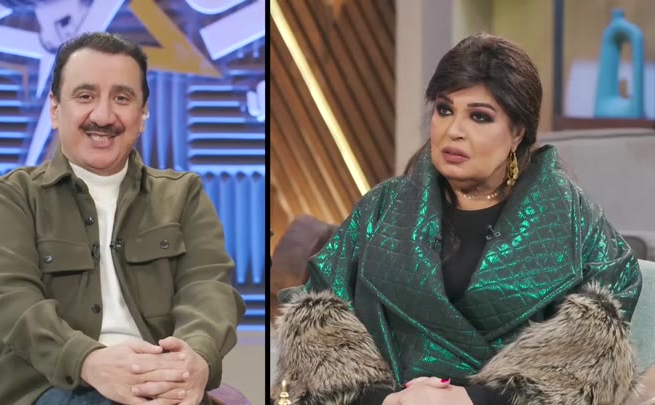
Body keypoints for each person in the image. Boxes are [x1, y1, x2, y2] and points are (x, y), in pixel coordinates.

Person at [271, 33, 642, 405]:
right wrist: (385, 400)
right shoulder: (382, 207)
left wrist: (473, 399)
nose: (453, 131)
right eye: (445, 110)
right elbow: (316, 322)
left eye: (479, 117)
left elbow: (594, 353)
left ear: (517, 132)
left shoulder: (572, 217)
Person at [0, 32, 245, 405]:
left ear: (143, 114)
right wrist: (89, 361)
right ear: (54, 109)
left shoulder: (184, 196)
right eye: (85, 96)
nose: (103, 116)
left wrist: (194, 358)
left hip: (161, 385)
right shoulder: (11, 197)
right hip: (44, 387)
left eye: (122, 98)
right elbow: (13, 302)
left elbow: (208, 289)